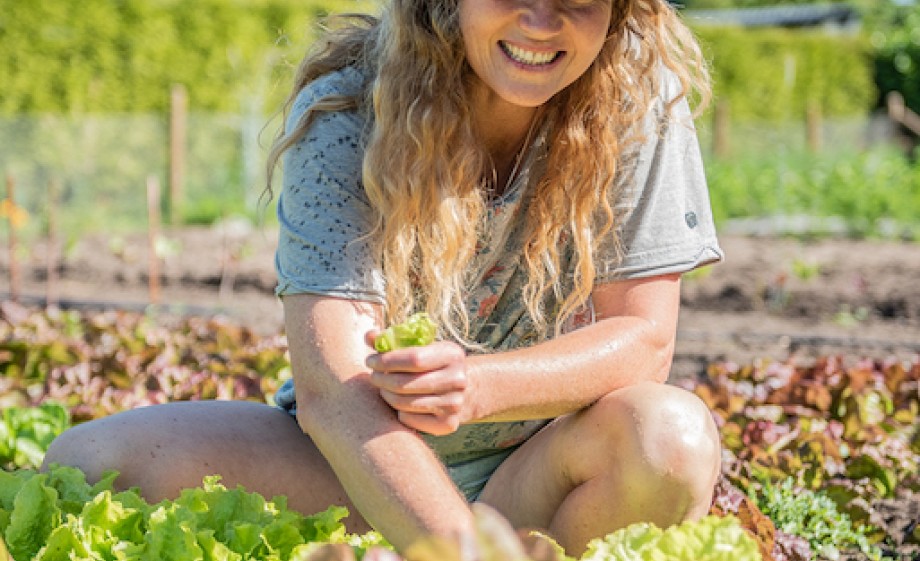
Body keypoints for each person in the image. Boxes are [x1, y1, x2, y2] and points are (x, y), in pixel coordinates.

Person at [43, 0, 724, 555]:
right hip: (360, 468)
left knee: (672, 440)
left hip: (543, 469)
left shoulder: (637, 99)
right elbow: (335, 396)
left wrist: (480, 386)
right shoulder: (347, 114)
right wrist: (463, 551)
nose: (540, 20)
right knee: (90, 461)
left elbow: (642, 338)